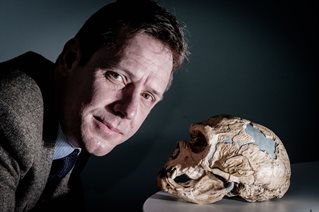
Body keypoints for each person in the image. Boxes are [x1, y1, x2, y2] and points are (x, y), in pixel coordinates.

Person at [0, 0, 188, 211]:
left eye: (147, 95)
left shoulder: (76, 119)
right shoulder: (9, 114)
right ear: (70, 59)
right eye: (117, 76)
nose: (128, 110)